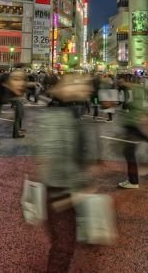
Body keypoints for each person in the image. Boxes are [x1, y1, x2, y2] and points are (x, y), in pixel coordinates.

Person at [35, 75, 94, 272]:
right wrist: (69, 193)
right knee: (63, 245)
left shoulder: (74, 113)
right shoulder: (56, 113)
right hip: (60, 189)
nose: (83, 85)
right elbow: (50, 156)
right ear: (59, 89)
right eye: (74, 82)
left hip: (69, 188)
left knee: (69, 239)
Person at [117, 76, 148, 188]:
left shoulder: (129, 90)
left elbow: (130, 104)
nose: (121, 84)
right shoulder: (143, 88)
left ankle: (133, 181)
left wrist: (126, 105)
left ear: (127, 81)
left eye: (122, 81)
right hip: (144, 121)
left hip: (134, 122)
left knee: (129, 152)